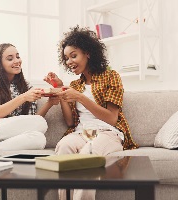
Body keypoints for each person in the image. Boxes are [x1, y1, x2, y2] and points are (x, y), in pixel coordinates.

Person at [44, 25, 138, 200]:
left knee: (88, 155)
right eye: (66, 58)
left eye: (74, 55)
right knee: (63, 146)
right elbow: (71, 123)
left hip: (108, 133)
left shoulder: (111, 76)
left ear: (87, 53)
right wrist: (60, 89)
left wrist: (80, 98)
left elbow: (111, 118)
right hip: (81, 133)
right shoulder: (75, 85)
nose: (69, 61)